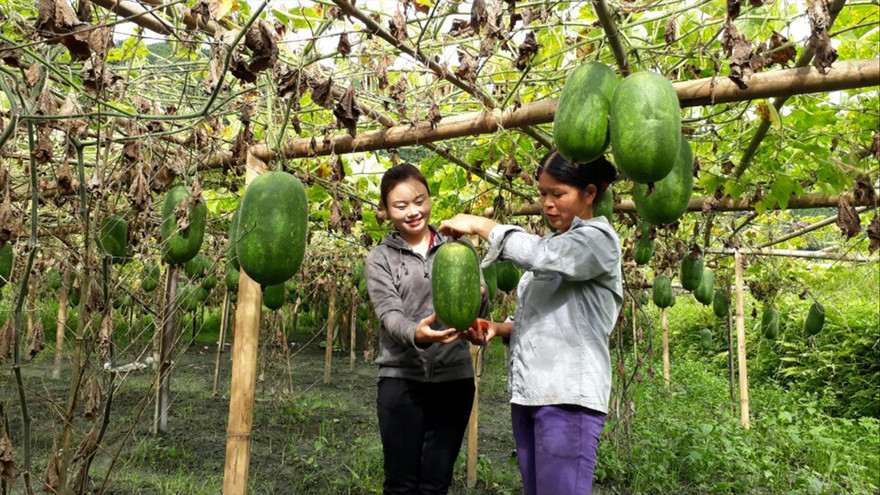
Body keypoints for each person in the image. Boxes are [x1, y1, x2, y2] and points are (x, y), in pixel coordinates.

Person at [438, 151, 622, 495]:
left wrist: (481, 225)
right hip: (532, 394)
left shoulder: (598, 241)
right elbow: (548, 316)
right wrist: (498, 328)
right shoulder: (556, 242)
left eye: (558, 194)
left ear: (590, 193)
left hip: (568, 398)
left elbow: (541, 256)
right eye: (542, 193)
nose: (547, 203)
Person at [365, 163, 488, 495]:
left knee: (436, 482)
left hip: (454, 378)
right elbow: (388, 312)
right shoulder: (380, 258)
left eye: (419, 201)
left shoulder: (459, 248)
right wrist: (414, 333)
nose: (413, 211)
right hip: (400, 379)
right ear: (386, 210)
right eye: (400, 206)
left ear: (429, 198)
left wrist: (479, 300)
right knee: (400, 483)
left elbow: (479, 309)